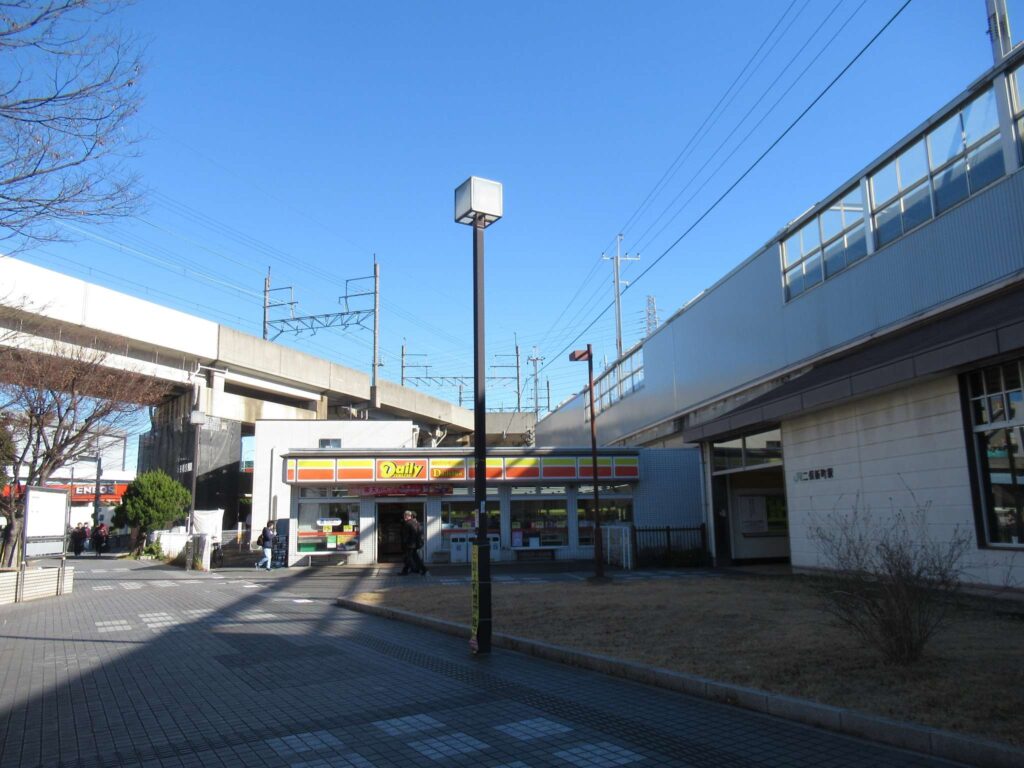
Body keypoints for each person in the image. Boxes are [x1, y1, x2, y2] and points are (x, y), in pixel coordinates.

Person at [400, 510, 427, 576]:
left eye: (405, 515)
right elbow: (419, 533)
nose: (404, 517)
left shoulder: (408, 523)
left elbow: (406, 535)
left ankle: (408, 570)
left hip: (410, 544)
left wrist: (404, 544)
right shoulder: (415, 523)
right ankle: (420, 569)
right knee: (414, 557)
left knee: (409, 558)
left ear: (408, 516)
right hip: (415, 544)